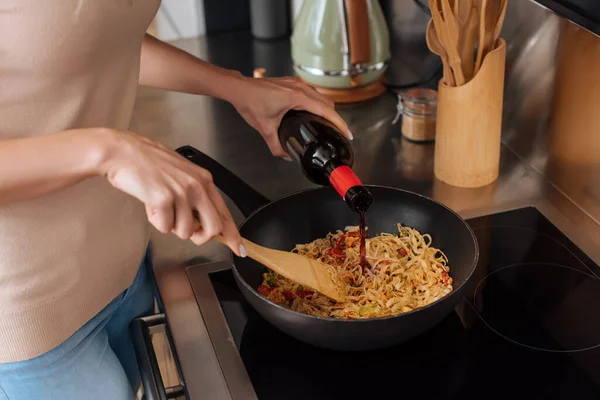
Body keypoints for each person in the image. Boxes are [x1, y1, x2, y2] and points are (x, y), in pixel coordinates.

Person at [0, 2, 350, 399]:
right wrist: (107, 151)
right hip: (28, 310)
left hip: (125, 263)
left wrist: (235, 86)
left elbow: (99, 40)